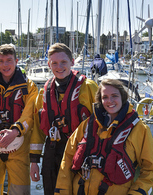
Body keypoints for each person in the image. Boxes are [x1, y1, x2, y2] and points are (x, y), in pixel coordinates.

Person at [54, 79, 153, 195]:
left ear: (123, 97)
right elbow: (68, 159)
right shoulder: (87, 125)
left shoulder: (139, 129)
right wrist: (62, 191)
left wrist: (137, 192)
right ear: (100, 100)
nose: (109, 101)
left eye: (114, 96)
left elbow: (152, 169)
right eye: (105, 97)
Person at [29, 43, 98, 195]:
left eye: (63, 62)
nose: (59, 67)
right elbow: (38, 131)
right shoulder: (43, 94)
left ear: (72, 62)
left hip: (82, 151)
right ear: (49, 65)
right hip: (53, 152)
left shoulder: (89, 87)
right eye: (54, 63)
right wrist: (34, 161)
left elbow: (104, 122)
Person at [0, 44, 38, 195]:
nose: (5, 65)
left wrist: (15, 131)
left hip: (19, 149)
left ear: (16, 61)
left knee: (20, 191)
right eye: (1, 61)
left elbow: (30, 113)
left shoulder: (29, 87)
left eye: (9, 60)